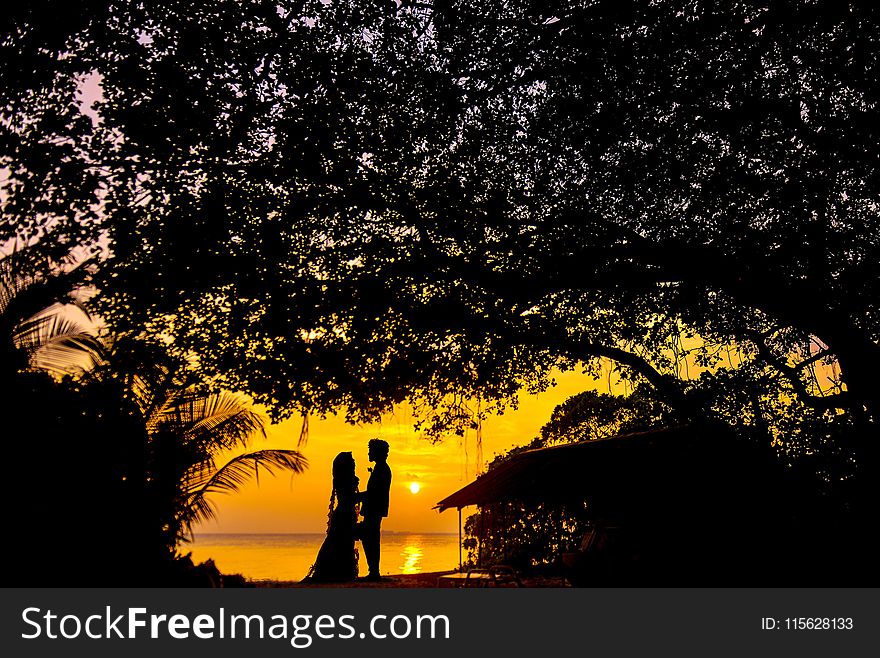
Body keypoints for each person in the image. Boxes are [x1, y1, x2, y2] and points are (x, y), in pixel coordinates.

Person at [304, 452, 359, 582]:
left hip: (346, 514)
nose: (354, 465)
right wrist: (366, 495)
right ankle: (337, 573)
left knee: (341, 543)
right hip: (344, 514)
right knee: (338, 542)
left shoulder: (344, 479)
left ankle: (341, 572)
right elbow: (347, 499)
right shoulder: (343, 480)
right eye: (352, 463)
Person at [358, 439, 391, 581]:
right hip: (374, 509)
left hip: (374, 509)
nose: (368, 453)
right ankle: (373, 571)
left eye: (371, 451)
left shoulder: (382, 469)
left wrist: (355, 497)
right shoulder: (380, 468)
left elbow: (374, 493)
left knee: (370, 538)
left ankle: (374, 571)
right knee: (369, 538)